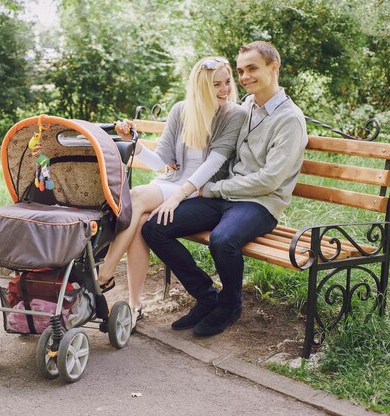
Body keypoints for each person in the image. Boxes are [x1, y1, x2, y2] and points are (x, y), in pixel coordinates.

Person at [141, 41, 308, 337]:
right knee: (155, 227)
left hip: (260, 204)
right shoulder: (246, 107)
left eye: (252, 69)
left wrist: (213, 189)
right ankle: (206, 296)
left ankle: (230, 306)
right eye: (241, 71)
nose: (244, 77)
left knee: (222, 239)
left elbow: (269, 180)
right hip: (226, 197)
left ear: (274, 67)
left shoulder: (289, 120)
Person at [97, 56, 247, 332]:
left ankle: (103, 276)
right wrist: (135, 143)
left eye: (228, 82)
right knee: (141, 222)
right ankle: (134, 305)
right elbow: (163, 162)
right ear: (201, 88)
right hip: (173, 182)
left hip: (201, 190)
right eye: (217, 85)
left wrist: (179, 194)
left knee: (138, 196)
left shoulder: (233, 114)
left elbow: (215, 162)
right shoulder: (181, 111)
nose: (226, 89)